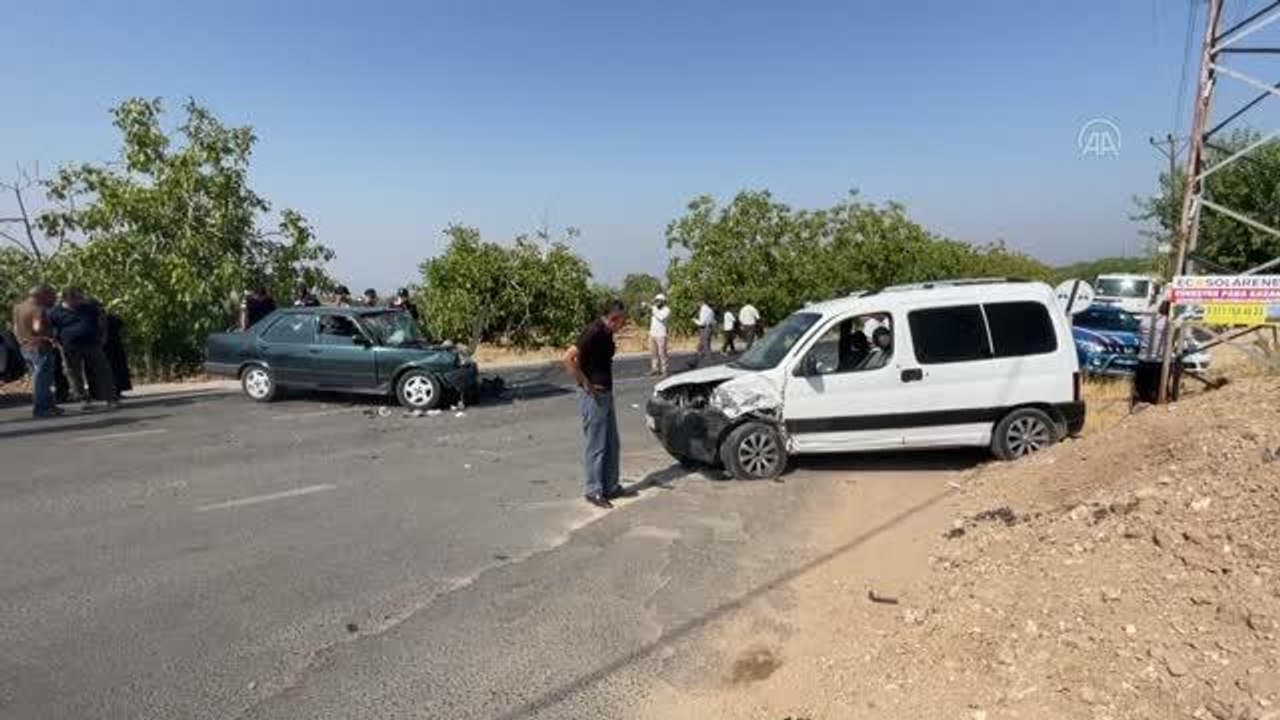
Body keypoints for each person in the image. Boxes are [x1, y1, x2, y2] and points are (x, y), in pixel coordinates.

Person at [563, 299, 636, 509]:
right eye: (622, 320)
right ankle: (594, 490)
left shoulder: (607, 332)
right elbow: (568, 358)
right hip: (594, 396)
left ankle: (610, 486)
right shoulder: (594, 331)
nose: (623, 324)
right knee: (596, 445)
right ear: (613, 318)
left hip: (606, 394)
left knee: (612, 443)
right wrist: (585, 383)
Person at [50, 287, 118, 409]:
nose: (80, 300)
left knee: (103, 370)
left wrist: (104, 335)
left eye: (80, 297)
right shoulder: (55, 312)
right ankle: (83, 399)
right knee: (73, 373)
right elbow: (51, 328)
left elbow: (102, 319)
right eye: (76, 298)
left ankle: (111, 398)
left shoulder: (89, 308)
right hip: (70, 347)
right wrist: (55, 341)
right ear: (66, 299)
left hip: (92, 344)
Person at [12, 285, 63, 417]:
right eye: (51, 296)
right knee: (43, 380)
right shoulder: (38, 309)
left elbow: (15, 328)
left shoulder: (18, 307)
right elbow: (37, 327)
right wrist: (51, 334)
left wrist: (22, 341)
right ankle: (42, 408)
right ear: (42, 295)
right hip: (40, 346)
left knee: (38, 378)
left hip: (25, 346)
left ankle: (49, 405)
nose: (53, 299)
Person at [647, 293, 671, 377]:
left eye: (658, 301)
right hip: (653, 333)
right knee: (653, 353)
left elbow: (661, 318)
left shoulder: (667, 310)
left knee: (662, 353)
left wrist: (653, 310)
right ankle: (655, 369)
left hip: (661, 334)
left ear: (663, 301)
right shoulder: (654, 308)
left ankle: (665, 370)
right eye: (656, 300)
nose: (656, 302)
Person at [691, 299, 715, 367]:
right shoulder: (710, 309)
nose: (696, 305)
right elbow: (713, 321)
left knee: (705, 346)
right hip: (709, 328)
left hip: (704, 329)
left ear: (700, 302)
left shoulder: (703, 310)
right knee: (701, 346)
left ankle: (709, 362)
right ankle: (695, 361)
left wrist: (694, 320)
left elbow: (702, 323)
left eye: (697, 303)